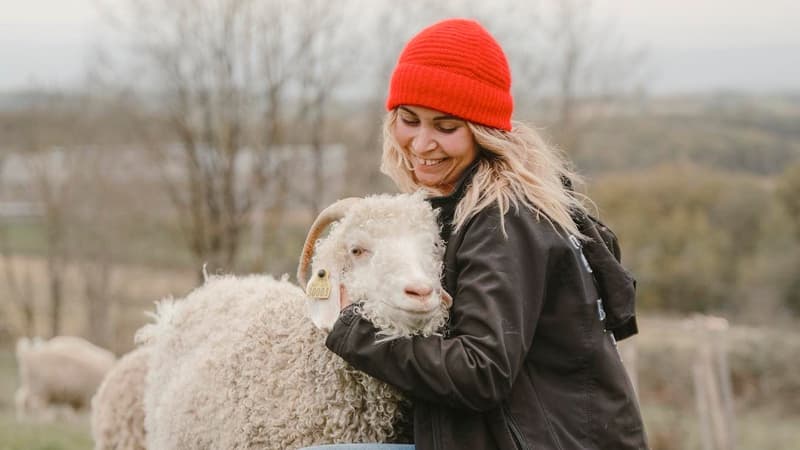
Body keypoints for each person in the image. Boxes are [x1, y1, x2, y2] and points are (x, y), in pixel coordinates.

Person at [325, 18, 648, 450]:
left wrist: (354, 331)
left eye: (446, 127)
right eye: (409, 119)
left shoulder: (504, 217)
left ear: (483, 131)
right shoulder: (471, 203)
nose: (421, 144)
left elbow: (481, 371)